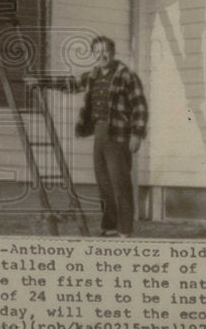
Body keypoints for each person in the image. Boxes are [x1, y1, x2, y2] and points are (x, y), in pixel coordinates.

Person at [28, 36, 148, 236]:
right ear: (93, 55)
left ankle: (125, 230)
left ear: (113, 52)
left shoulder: (127, 75)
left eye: (106, 51)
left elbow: (140, 107)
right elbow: (71, 83)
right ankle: (109, 226)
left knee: (120, 183)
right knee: (104, 183)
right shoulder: (93, 75)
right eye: (98, 52)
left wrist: (137, 134)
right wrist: (41, 82)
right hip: (100, 134)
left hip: (119, 136)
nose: (102, 55)